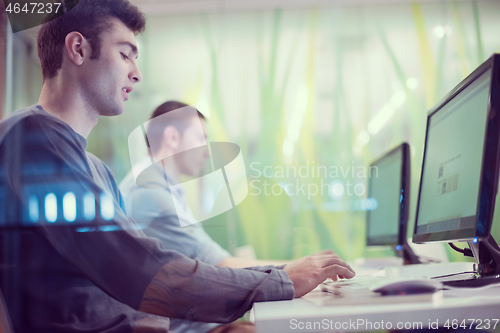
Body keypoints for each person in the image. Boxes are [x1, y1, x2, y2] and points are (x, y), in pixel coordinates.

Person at [0, 1, 355, 333]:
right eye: (125, 54)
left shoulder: (95, 168)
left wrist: (282, 275)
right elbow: (142, 271)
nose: (136, 74)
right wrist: (283, 280)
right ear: (78, 49)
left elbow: (141, 269)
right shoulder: (31, 137)